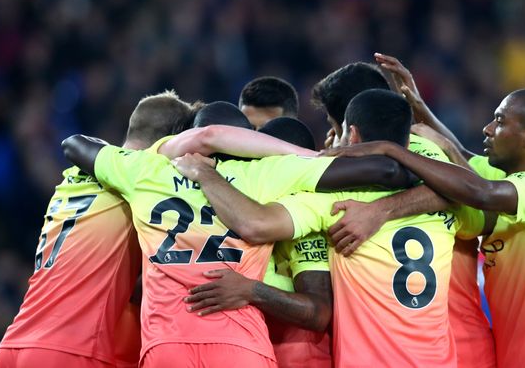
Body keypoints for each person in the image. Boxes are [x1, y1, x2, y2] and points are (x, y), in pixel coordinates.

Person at [61, 105, 417, 367]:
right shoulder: (267, 175)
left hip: (165, 348)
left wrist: (164, 151)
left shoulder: (145, 171)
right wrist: (324, 155)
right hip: (239, 348)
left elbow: (74, 143)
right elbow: (386, 172)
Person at [178, 90, 483, 367]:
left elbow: (255, 224)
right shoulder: (449, 199)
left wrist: (208, 177)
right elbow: (480, 196)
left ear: (351, 134)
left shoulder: (336, 202)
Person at [324, 88, 525, 367]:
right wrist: (421, 108)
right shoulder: (521, 180)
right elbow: (464, 162)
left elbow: (480, 191)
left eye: (500, 121)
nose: (488, 129)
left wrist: (390, 148)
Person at [311, 56, 497, 367]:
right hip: (448, 348)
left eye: (335, 127)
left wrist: (379, 210)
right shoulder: (435, 160)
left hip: (429, 345)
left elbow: (480, 208)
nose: (334, 140)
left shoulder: (410, 155)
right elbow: (476, 202)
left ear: (353, 128)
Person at [0, 91, 199, 368]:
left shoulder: (74, 175)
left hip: (16, 342)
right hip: (71, 351)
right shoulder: (143, 180)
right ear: (171, 140)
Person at [185, 117, 333, 368]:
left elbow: (318, 313)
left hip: (297, 359)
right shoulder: (218, 212)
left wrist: (252, 291)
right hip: (232, 352)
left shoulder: (306, 224)